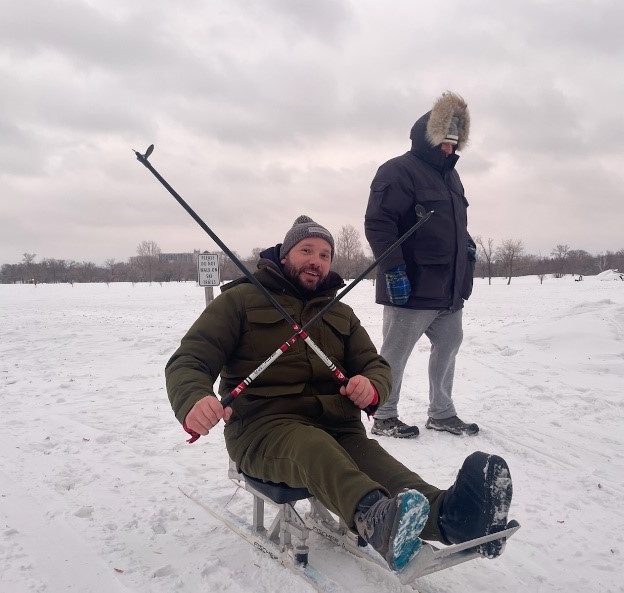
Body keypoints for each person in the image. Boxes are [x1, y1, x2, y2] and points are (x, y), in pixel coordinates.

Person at [165, 215, 513, 572]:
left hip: (337, 425)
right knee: (312, 448)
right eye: (306, 250)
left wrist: (371, 385)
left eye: (325, 254)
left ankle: (451, 516)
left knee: (378, 465)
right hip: (263, 430)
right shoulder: (239, 301)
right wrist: (193, 399)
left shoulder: (340, 313)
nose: (316, 260)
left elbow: (375, 365)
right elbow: (189, 360)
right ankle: (372, 517)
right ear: (285, 255)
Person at [364, 91, 478, 439]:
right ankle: (384, 415)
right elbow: (378, 224)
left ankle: (441, 412)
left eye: (454, 143)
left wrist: (468, 249)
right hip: (411, 286)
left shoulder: (452, 178)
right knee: (394, 354)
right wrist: (394, 270)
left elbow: (456, 227)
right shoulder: (398, 171)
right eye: (444, 141)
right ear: (428, 137)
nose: (449, 149)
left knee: (449, 346)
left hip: (447, 288)